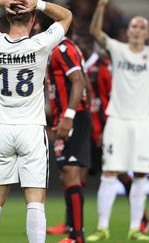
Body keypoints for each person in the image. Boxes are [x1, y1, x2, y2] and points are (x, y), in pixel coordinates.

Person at [0, 0, 72, 242]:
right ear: (32, 21)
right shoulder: (40, 43)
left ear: (8, 18)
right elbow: (66, 17)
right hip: (31, 129)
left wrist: (4, 1)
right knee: (35, 202)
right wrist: (37, 3)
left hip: (2, 129)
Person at [87, 0, 149, 241]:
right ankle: (102, 227)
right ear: (128, 31)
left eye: (141, 27)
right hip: (117, 119)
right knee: (109, 172)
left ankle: (135, 228)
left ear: (147, 33)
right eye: (133, 26)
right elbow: (95, 32)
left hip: (143, 122)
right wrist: (101, 7)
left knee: (140, 174)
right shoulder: (117, 49)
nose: (136, 30)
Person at [45, 23, 91, 243]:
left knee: (71, 173)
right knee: (66, 176)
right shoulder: (61, 48)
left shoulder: (63, 48)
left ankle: (77, 236)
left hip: (72, 117)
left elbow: (80, 81)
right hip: (65, 117)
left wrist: (70, 116)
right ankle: (71, 226)